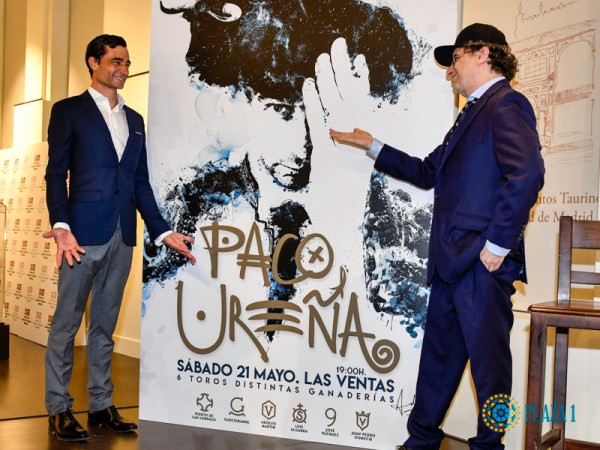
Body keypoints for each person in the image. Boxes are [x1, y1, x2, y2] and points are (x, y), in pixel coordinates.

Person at [330, 23, 545, 450]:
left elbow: (527, 175)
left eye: (456, 58)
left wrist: (497, 246)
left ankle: (489, 446)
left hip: (482, 264)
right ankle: (421, 442)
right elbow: (429, 172)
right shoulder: (471, 115)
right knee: (438, 363)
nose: (449, 70)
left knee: (490, 370)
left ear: (483, 54)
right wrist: (373, 146)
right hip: (451, 262)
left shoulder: (506, 104)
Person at [43, 34, 196, 442]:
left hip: (123, 234)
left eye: (127, 62)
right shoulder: (68, 111)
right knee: (66, 325)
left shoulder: (135, 120)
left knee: (104, 326)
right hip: (80, 237)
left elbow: (139, 182)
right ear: (93, 63)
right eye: (115, 61)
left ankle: (100, 404)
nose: (123, 69)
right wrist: (61, 226)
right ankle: (58, 408)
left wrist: (162, 230)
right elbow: (56, 174)